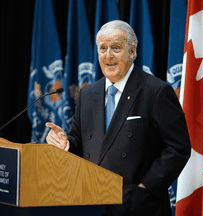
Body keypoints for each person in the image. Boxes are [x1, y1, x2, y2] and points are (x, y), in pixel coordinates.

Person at [46, 20, 191, 216]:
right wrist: (66, 143)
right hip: (93, 205)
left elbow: (178, 148)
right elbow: (80, 142)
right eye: (103, 48)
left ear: (132, 51)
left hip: (139, 207)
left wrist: (144, 187)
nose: (108, 56)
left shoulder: (156, 91)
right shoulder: (88, 94)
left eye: (115, 48)